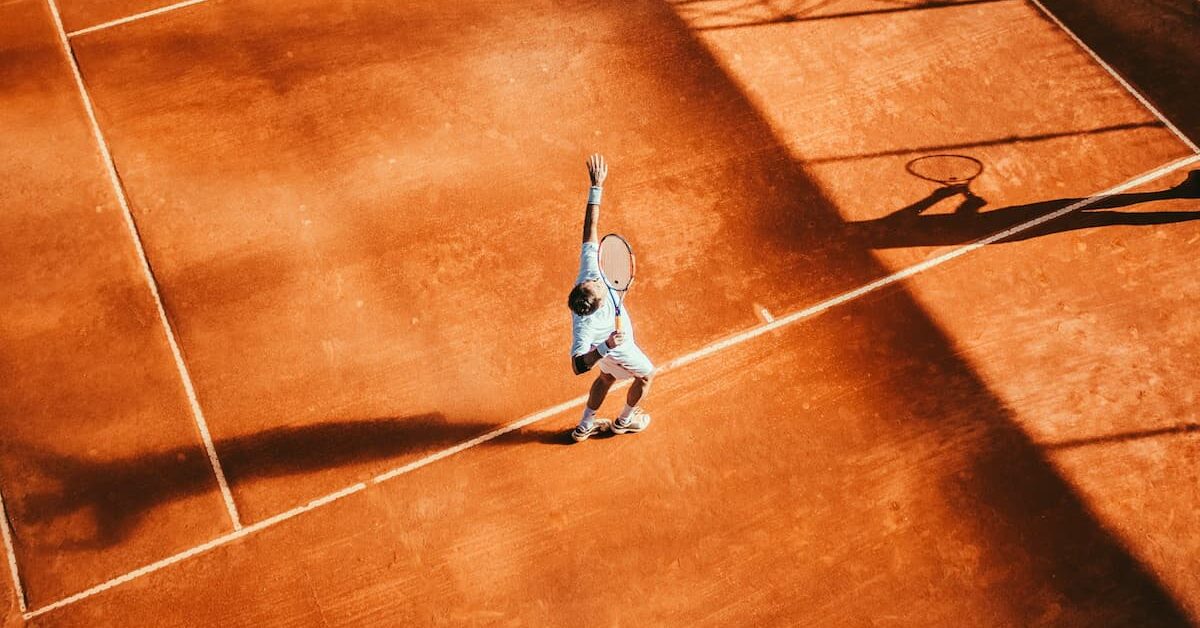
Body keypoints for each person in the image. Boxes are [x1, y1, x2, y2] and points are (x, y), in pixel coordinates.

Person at [567, 154, 655, 443]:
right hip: (618, 349)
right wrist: (606, 347)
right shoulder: (585, 327)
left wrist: (596, 187)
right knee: (646, 376)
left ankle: (584, 427)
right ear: (598, 304)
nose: (598, 280)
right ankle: (624, 421)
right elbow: (579, 365)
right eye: (598, 286)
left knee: (606, 378)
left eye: (593, 281)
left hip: (607, 351)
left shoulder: (588, 274)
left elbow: (589, 230)